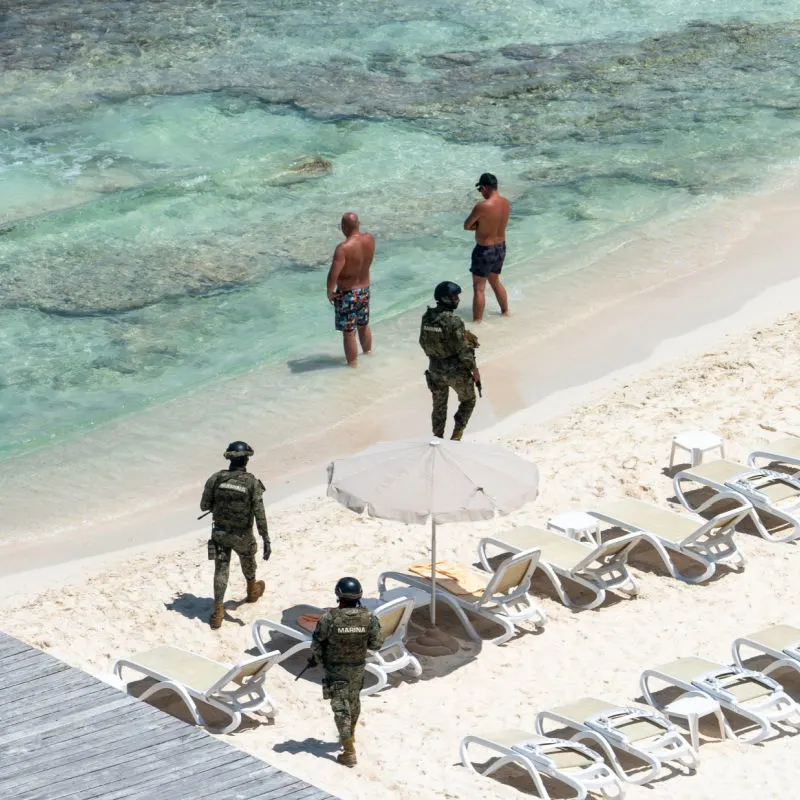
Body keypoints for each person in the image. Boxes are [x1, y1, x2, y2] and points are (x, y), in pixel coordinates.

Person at [311, 577, 383, 767]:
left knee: (340, 707)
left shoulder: (329, 618)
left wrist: (319, 661)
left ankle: (349, 750)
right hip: (358, 667)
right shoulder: (369, 617)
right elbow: (376, 644)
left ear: (338, 595)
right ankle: (350, 734)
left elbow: (317, 643)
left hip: (335, 668)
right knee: (353, 701)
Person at [200, 440, 271, 629]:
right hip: (242, 536)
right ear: (247, 459)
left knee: (221, 570)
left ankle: (218, 611)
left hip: (220, 533)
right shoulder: (252, 483)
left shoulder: (216, 478)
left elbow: (204, 506)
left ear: (229, 458)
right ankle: (252, 591)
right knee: (248, 560)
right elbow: (259, 514)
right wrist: (266, 539)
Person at [419, 281, 481, 441]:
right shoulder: (454, 321)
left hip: (434, 369)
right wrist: (475, 370)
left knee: (439, 406)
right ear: (445, 299)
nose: (457, 299)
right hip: (455, 370)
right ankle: (456, 436)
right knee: (469, 400)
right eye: (454, 297)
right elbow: (464, 352)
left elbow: (423, 343)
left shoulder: (427, 318)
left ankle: (437, 439)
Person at [326, 212, 375, 367]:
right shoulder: (369, 239)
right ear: (358, 224)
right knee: (363, 325)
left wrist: (329, 291)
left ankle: (353, 367)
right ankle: (368, 354)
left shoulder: (343, 248)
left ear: (344, 227)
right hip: (364, 290)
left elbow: (333, 274)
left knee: (348, 333)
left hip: (348, 294)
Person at [463, 172, 510, 323]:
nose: (481, 193)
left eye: (480, 190)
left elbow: (467, 225)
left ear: (484, 187)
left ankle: (477, 322)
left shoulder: (482, 206)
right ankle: (506, 312)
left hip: (484, 250)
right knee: (495, 282)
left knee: (479, 288)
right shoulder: (505, 203)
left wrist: (480, 227)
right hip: (500, 247)